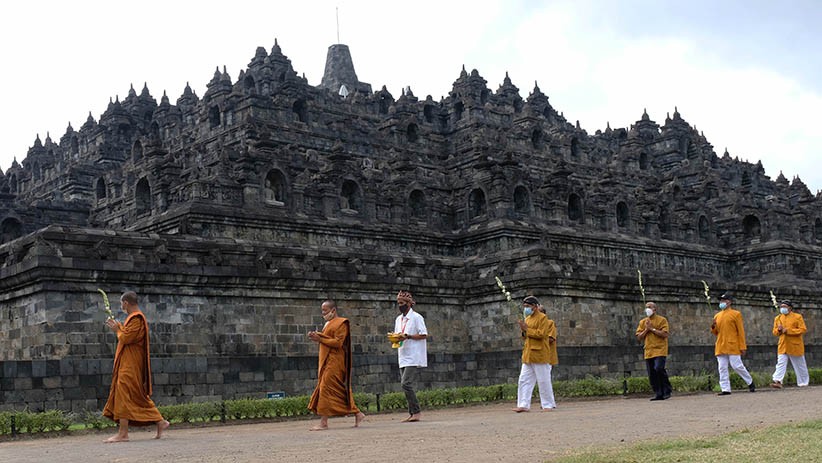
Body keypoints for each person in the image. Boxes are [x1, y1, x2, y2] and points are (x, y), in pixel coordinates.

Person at [102, 291, 169, 442]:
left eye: (121, 304)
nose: (122, 307)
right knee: (136, 395)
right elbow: (126, 334)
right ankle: (160, 422)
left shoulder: (137, 318)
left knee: (123, 392)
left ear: (125, 303)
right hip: (129, 362)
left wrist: (117, 329)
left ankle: (123, 433)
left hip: (131, 364)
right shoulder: (132, 318)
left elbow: (126, 337)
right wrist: (119, 326)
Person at [307, 300, 366, 430]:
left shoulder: (342, 323)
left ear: (333, 310)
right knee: (335, 389)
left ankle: (324, 422)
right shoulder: (328, 324)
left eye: (325, 311)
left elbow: (338, 343)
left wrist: (320, 338)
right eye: (322, 311)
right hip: (327, 360)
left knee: (325, 388)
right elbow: (327, 339)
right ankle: (357, 412)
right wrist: (316, 336)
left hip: (335, 361)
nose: (323, 313)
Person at [512, 296, 557, 412]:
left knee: (543, 380)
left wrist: (527, 330)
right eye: (524, 307)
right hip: (528, 354)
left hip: (540, 353)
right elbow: (525, 337)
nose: (526, 309)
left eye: (528, 306)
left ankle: (547, 404)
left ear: (535, 307)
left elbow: (541, 334)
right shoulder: (527, 319)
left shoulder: (543, 318)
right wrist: (523, 330)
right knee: (523, 380)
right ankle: (523, 404)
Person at [711, 293, 755, 395]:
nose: (721, 302)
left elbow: (741, 331)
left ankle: (750, 381)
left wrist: (742, 346)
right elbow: (716, 332)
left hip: (732, 344)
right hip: (721, 344)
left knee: (737, 366)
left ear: (729, 302)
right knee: (722, 367)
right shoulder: (717, 316)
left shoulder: (736, 314)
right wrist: (713, 326)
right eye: (721, 300)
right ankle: (725, 388)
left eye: (724, 300)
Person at [394, 290, 428, 422]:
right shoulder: (398, 319)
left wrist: (409, 336)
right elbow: (399, 334)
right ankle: (412, 413)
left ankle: (417, 412)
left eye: (401, 303)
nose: (399, 305)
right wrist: (396, 338)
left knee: (406, 384)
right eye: (398, 303)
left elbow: (424, 334)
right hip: (402, 353)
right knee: (406, 385)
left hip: (414, 354)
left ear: (409, 304)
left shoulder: (417, 318)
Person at [635, 302, 672, 400]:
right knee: (652, 373)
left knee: (659, 368)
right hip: (649, 350)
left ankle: (666, 390)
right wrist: (646, 330)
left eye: (650, 307)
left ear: (655, 309)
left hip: (660, 349)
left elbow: (665, 334)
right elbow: (639, 337)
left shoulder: (662, 320)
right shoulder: (643, 322)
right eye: (646, 307)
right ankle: (658, 393)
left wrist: (652, 329)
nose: (647, 309)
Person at [770, 300, 809, 388]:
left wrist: (788, 330)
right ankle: (778, 380)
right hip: (783, 344)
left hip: (795, 345)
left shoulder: (797, 317)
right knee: (781, 363)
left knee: (800, 365)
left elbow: (802, 329)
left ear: (790, 308)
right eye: (781, 307)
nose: (782, 308)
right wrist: (779, 330)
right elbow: (775, 332)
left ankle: (803, 382)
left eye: (785, 306)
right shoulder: (778, 318)